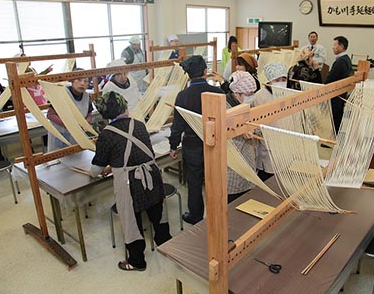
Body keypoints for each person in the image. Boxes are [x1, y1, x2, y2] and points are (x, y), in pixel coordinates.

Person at [90, 91, 171, 271]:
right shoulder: (139, 125)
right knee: (157, 209)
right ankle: (166, 245)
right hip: (151, 173)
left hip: (128, 180)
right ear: (125, 108)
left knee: (131, 219)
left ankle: (137, 261)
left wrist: (105, 168)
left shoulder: (106, 134)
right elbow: (140, 152)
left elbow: (96, 169)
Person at [169, 55, 224, 225]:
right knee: (215, 180)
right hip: (215, 142)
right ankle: (217, 216)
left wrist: (173, 145)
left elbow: (177, 124)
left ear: (188, 75)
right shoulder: (217, 93)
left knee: (194, 182)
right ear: (205, 72)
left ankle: (196, 216)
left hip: (192, 144)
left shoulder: (182, 96)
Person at [225, 70, 258, 202]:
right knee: (233, 202)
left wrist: (253, 130)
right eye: (248, 94)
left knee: (247, 199)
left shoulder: (248, 104)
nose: (251, 97)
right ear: (236, 93)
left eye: (252, 93)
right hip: (232, 164)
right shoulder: (223, 108)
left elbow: (257, 123)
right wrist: (239, 131)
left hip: (248, 161)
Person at [254, 62, 288, 181]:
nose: (281, 82)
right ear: (269, 81)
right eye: (277, 79)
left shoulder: (287, 94)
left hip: (285, 144)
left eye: (283, 79)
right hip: (268, 145)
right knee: (268, 176)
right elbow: (258, 124)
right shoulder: (259, 96)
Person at [46, 76, 93, 152]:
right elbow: (50, 114)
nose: (82, 83)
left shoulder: (86, 96)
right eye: (79, 79)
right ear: (72, 80)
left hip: (78, 135)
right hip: (62, 134)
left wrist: (86, 123)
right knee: (60, 158)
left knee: (77, 156)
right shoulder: (62, 94)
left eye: (85, 81)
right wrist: (68, 125)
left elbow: (89, 113)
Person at [325, 36, 352, 133]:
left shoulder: (340, 61)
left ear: (341, 46)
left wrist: (322, 87)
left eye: (335, 45)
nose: (333, 47)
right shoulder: (346, 59)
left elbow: (331, 77)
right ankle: (336, 135)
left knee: (334, 115)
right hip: (342, 91)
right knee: (338, 114)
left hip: (336, 92)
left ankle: (332, 136)